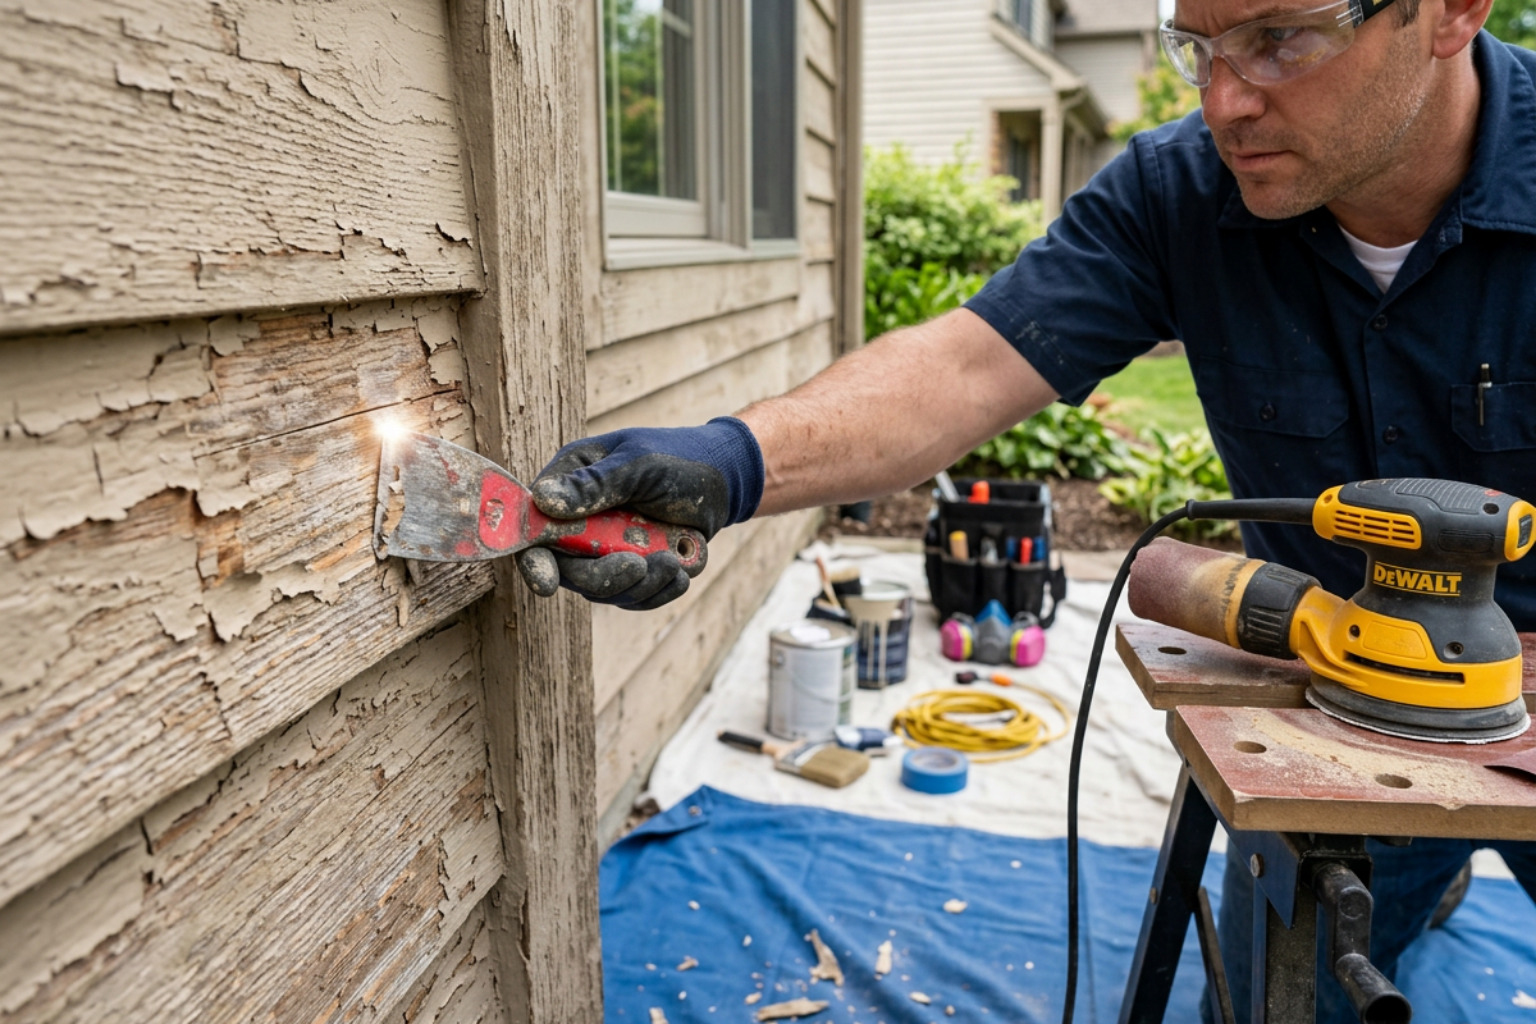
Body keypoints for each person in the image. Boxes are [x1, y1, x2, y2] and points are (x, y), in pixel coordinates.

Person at [519, 0, 1536, 1018]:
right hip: (1336, 710)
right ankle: (1424, 869)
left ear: (1448, 11)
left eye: (1279, 40)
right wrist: (730, 463)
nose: (1226, 100)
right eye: (1199, 48)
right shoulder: (1181, 193)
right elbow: (963, 368)